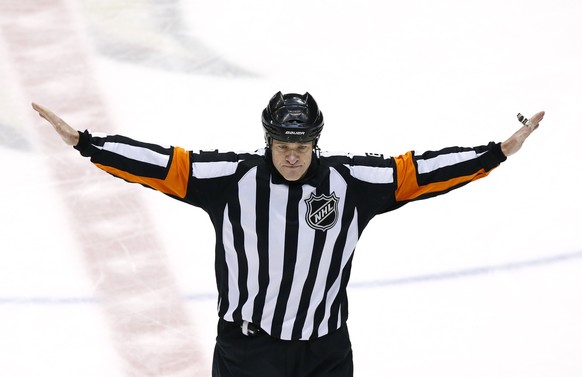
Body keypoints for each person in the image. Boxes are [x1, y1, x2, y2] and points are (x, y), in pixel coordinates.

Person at [32, 93, 544, 377]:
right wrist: (87, 143)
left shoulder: (351, 182)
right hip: (249, 351)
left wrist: (497, 151)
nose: (292, 154)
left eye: (301, 143)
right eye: (282, 143)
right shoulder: (232, 179)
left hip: (325, 350)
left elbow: (423, 171)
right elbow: (162, 162)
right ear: (268, 140)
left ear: (316, 141)